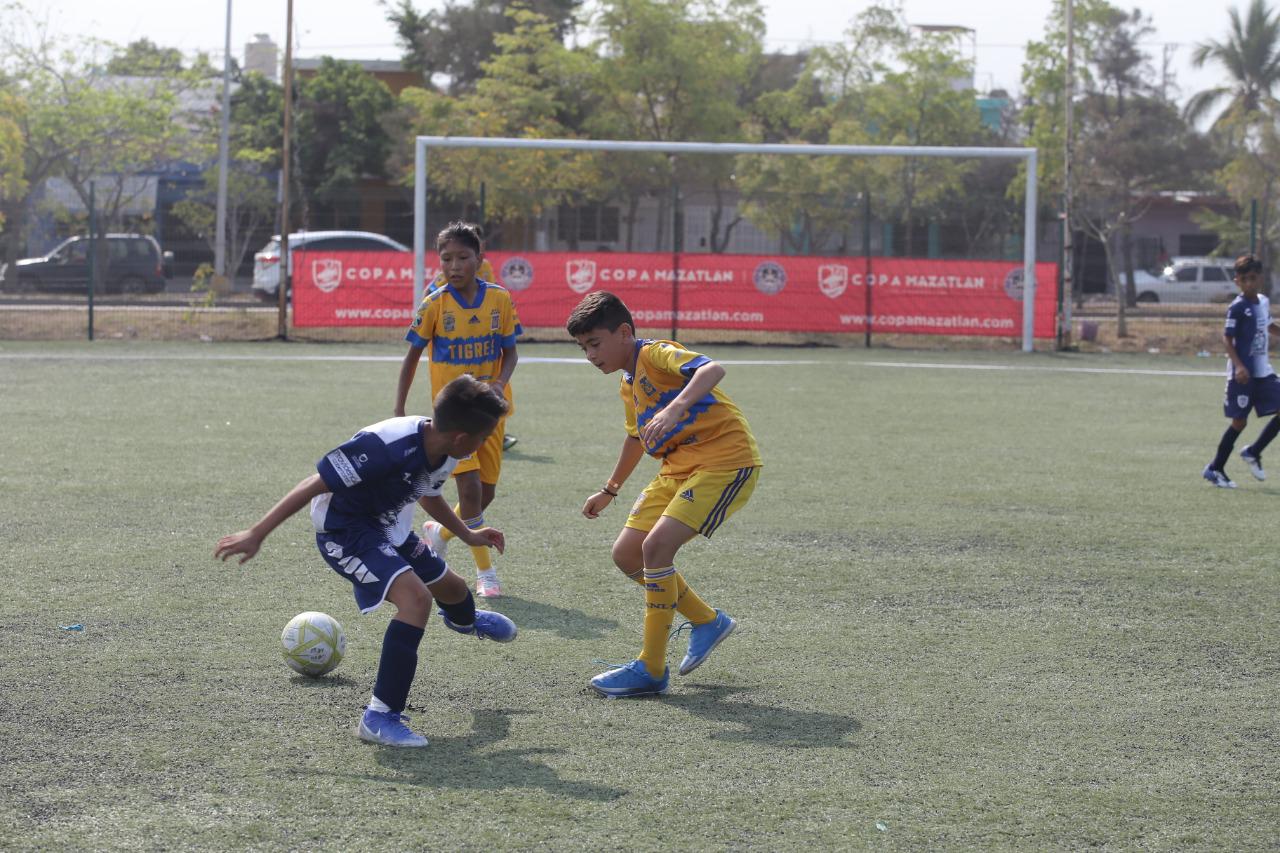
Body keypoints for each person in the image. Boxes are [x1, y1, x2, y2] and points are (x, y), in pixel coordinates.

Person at [215, 375, 517, 748]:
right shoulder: (385, 446)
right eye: (484, 437)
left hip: (390, 527)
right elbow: (315, 483)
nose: (485, 444)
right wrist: (257, 532)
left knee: (453, 590)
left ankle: (465, 622)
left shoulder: (447, 449)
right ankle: (379, 717)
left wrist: (467, 534)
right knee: (416, 600)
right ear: (460, 437)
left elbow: (428, 493)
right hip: (346, 532)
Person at [566, 291, 763, 698]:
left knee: (655, 549)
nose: (590, 355)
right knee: (627, 554)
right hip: (677, 468)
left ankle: (651, 668)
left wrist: (675, 407)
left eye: (595, 343)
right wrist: (609, 490)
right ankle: (707, 620)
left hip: (723, 461)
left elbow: (711, 369)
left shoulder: (656, 354)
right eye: (583, 347)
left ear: (624, 332)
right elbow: (636, 437)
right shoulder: (627, 383)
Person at [397, 222, 522, 597]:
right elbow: (411, 357)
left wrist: (499, 381)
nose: (454, 266)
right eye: (446, 258)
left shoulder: (499, 299)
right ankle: (486, 573)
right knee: (469, 491)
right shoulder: (434, 303)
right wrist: (399, 407)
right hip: (452, 417)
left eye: (462, 257)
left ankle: (439, 531)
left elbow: (511, 352)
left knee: (485, 495)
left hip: (491, 413)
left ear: (479, 259)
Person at [427, 254, 519, 453]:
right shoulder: (439, 295)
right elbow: (430, 291)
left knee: (488, 407)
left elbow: (491, 295)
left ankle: (493, 434)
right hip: (456, 377)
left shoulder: (489, 274)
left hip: (487, 374)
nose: (456, 264)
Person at [1203, 253, 1280, 488]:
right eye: (1244, 279)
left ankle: (1253, 451)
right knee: (1239, 422)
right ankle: (1215, 469)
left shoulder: (1263, 302)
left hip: (1263, 373)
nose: (1249, 283)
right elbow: (1227, 338)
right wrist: (1238, 365)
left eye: (1253, 278)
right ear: (1237, 281)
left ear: (1260, 279)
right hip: (1243, 375)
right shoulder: (1237, 307)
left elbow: (1269, 326)